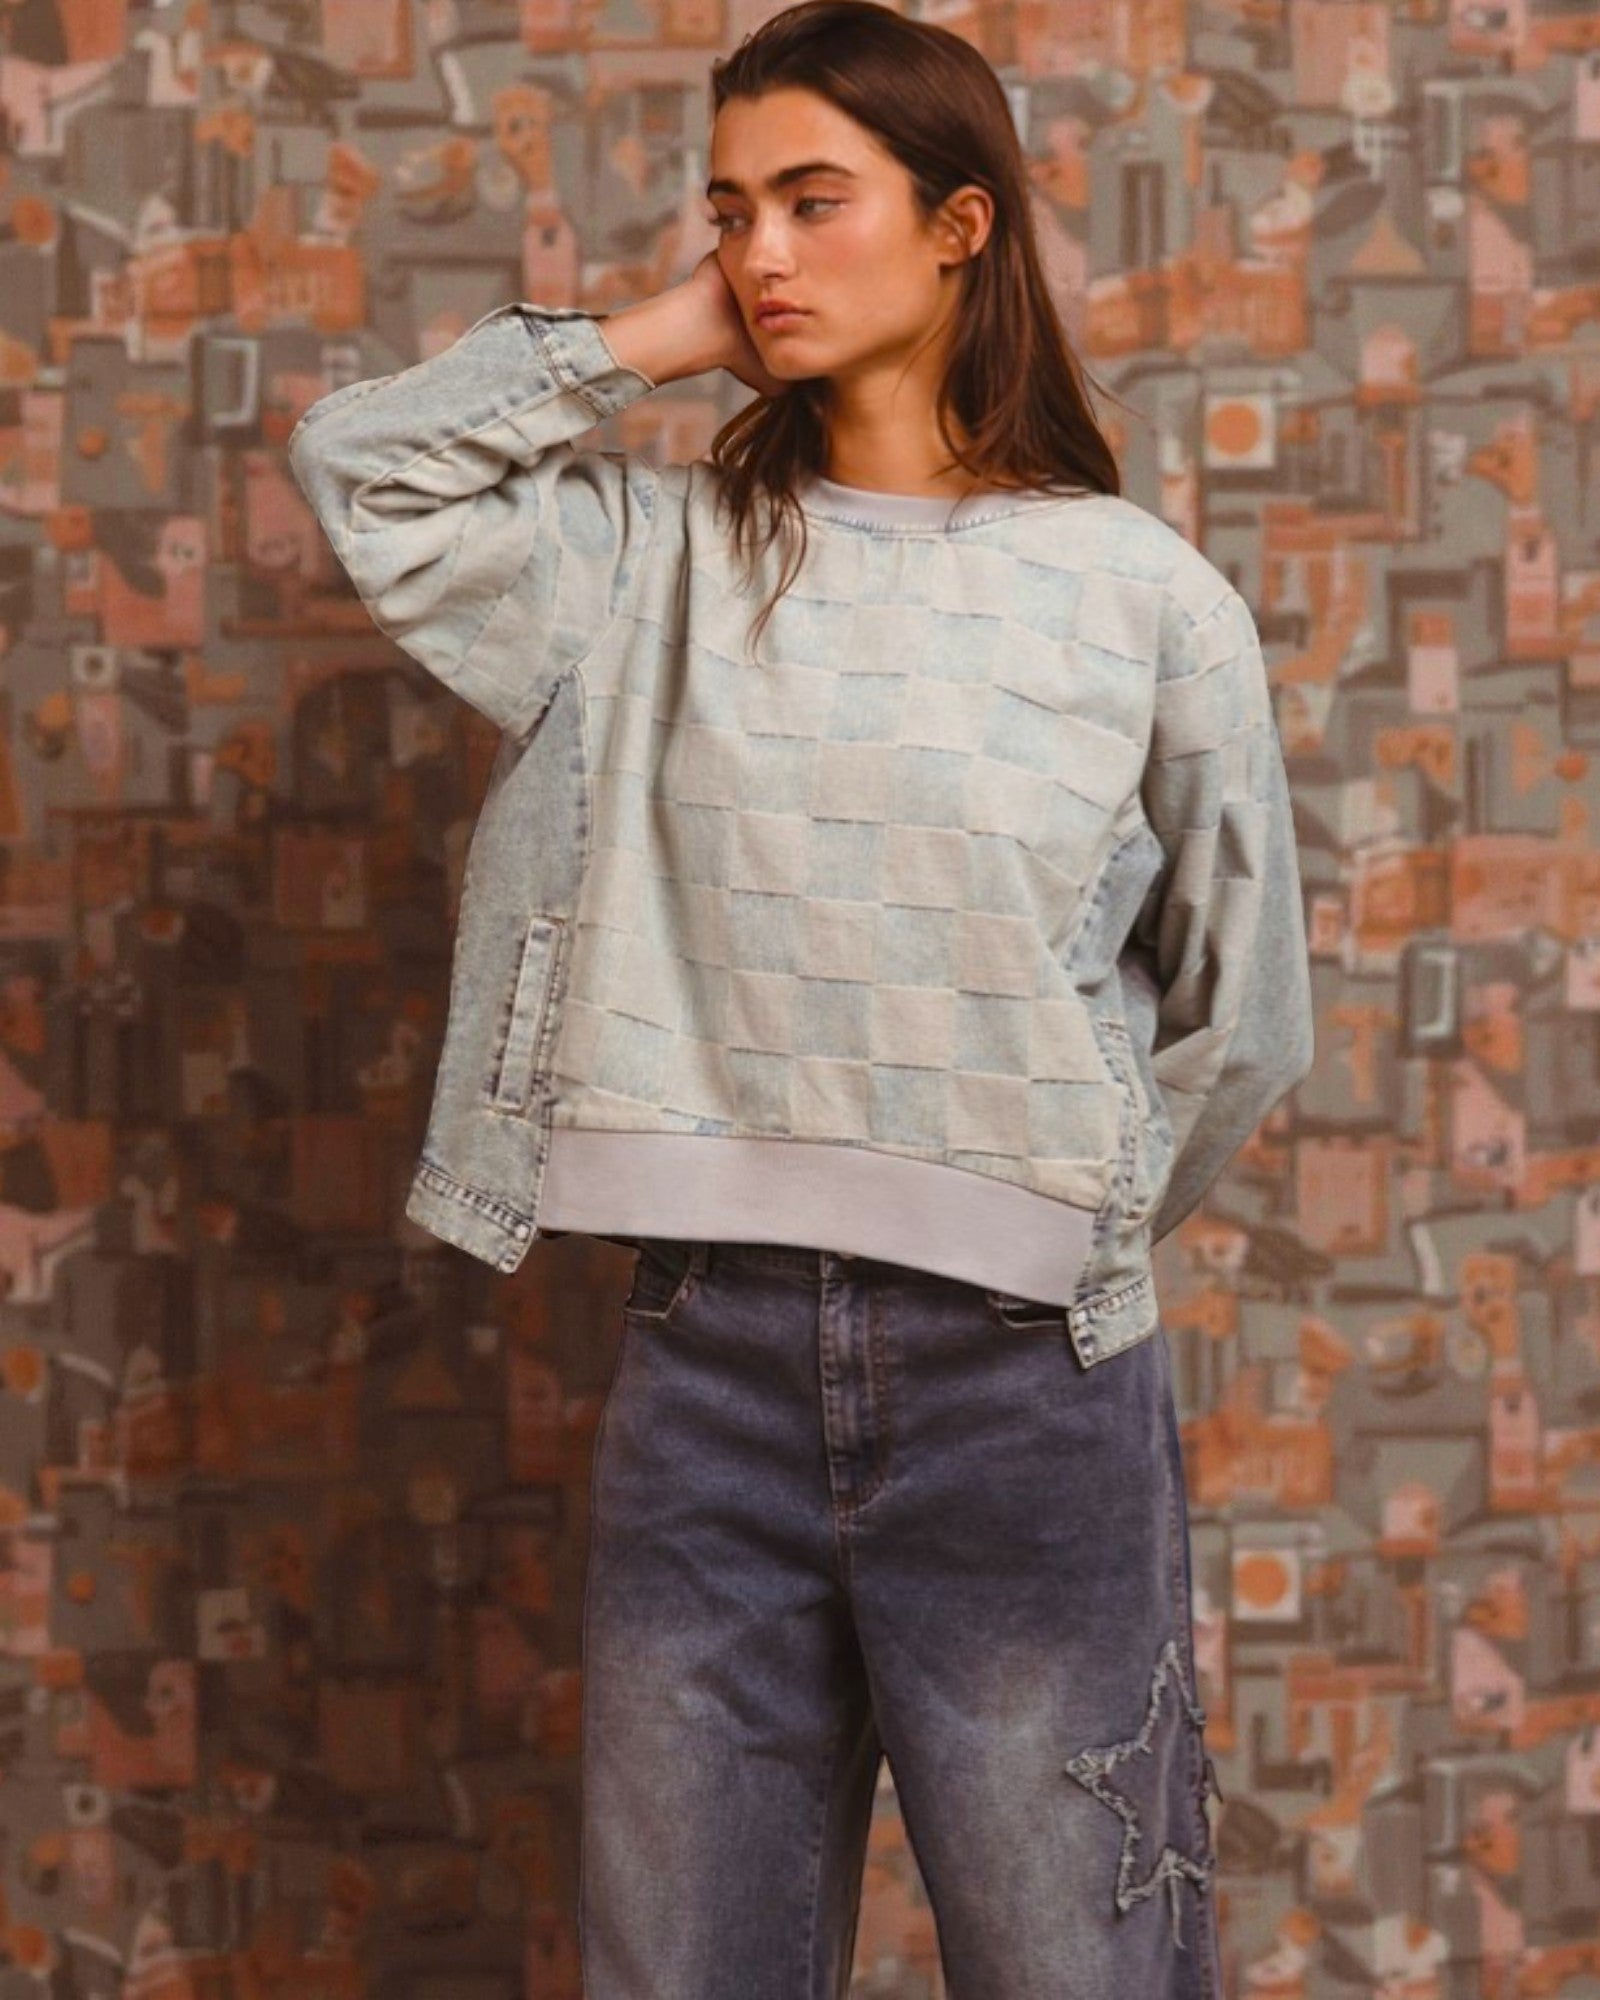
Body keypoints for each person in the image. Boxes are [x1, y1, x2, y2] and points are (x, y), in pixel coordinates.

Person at [287, 3, 1315, 1991]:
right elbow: (365, 472)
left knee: (1079, 1968)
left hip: (1024, 1386)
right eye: (728, 209)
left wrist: (1059, 1226)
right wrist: (663, 337)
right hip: (708, 1365)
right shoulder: (642, 564)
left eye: (812, 201)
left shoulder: (1138, 598)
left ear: (958, 224)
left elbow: (1244, 1011)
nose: (758, 249)